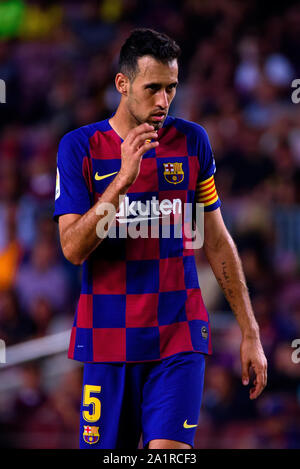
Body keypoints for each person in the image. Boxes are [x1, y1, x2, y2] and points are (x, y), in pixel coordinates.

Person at [53, 28, 267, 450]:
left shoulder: (192, 142)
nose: (163, 101)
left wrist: (250, 331)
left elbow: (217, 239)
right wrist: (120, 182)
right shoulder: (79, 147)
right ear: (123, 84)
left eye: (171, 88)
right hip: (108, 339)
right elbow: (73, 248)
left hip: (178, 337)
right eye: (152, 88)